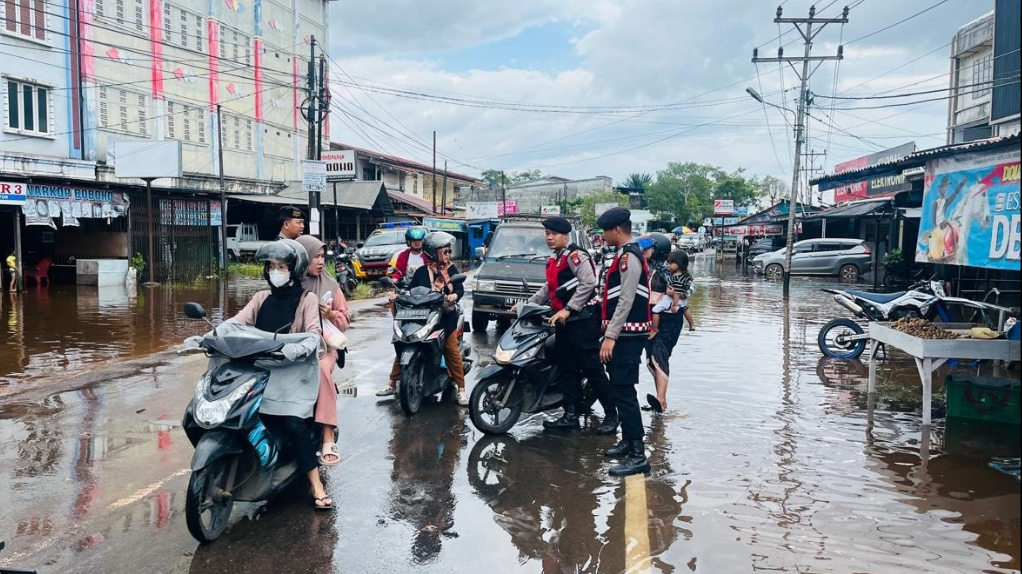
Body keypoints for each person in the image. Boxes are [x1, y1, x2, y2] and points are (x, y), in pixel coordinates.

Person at [227, 239, 333, 509]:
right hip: (260, 371)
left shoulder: (307, 299)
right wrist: (210, 336)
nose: (275, 271)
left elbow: (313, 333)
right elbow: (237, 323)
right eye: (272, 266)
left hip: (294, 374)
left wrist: (295, 349)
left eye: (282, 266)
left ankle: (316, 485)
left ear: (293, 270)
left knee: (293, 424)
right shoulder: (261, 298)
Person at [521, 216, 617, 434]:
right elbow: (549, 288)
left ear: (566, 235)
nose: (549, 238)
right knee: (567, 369)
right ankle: (570, 415)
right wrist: (527, 305)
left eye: (554, 234)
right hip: (564, 322)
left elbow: (588, 283)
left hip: (583, 321)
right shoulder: (555, 259)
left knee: (592, 368)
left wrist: (569, 308)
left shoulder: (576, 256)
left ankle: (612, 414)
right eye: (547, 234)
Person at [597, 207, 652, 476]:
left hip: (628, 335)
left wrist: (610, 336)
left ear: (617, 229)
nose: (603, 236)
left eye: (605, 231)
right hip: (624, 333)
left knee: (624, 391)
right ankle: (630, 442)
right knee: (620, 390)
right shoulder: (624, 254)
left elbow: (626, 299)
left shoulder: (629, 256)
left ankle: (638, 454)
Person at [296, 235, 351, 467]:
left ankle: (328, 434)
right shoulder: (291, 284)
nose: (320, 262)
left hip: (324, 348)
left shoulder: (331, 285)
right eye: (314, 257)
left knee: (320, 370)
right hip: (294, 346)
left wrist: (331, 315)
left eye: (321, 256)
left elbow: (346, 319)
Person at [409, 232, 469, 406]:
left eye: (449, 252)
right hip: (424, 318)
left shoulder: (451, 270)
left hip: (445, 319)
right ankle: (391, 382)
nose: (448, 255)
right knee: (406, 342)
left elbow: (459, 289)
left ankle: (462, 389)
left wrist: (454, 295)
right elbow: (412, 291)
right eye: (444, 252)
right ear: (432, 252)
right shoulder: (421, 272)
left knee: (451, 350)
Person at [377, 226, 429, 397]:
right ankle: (392, 382)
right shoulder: (403, 256)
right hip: (406, 299)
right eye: (414, 241)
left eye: (419, 240)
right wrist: (394, 282)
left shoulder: (428, 255)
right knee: (402, 339)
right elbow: (396, 273)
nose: (417, 243)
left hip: (426, 299)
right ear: (409, 241)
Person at [645, 243, 684, 414]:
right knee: (651, 358)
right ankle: (659, 400)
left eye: (648, 248)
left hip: (669, 319)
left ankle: (661, 399)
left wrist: (676, 294)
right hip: (649, 317)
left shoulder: (668, 271)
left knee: (660, 355)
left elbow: (688, 288)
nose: (643, 251)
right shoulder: (646, 267)